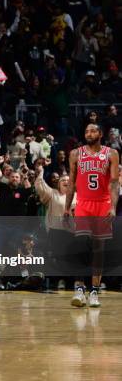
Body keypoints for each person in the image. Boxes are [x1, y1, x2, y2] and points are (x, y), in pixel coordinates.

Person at [65, 124, 119, 308]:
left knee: (98, 250)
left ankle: (94, 292)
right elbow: (71, 183)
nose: (89, 133)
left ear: (101, 134)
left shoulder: (111, 153)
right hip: (83, 205)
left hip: (102, 205)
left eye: (93, 131)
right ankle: (79, 290)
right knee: (80, 245)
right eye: (87, 131)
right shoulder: (75, 154)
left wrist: (113, 207)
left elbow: (113, 183)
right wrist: (66, 207)